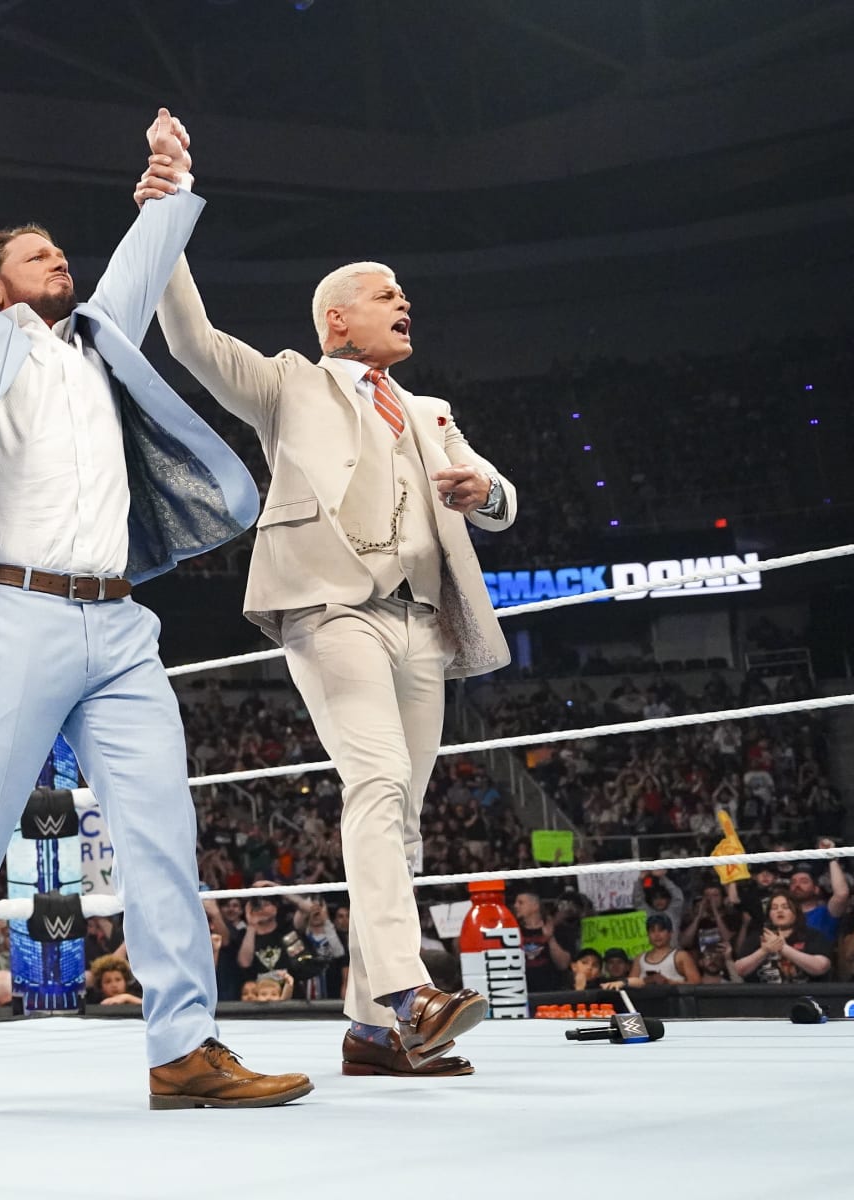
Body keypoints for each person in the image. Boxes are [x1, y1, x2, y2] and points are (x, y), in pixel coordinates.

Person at [0, 44, 303, 1116]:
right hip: (15, 614)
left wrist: (171, 180)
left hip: (121, 627)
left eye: (63, 250)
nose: (60, 261)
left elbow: (143, 261)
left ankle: (184, 1046)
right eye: (37, 253)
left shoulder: (99, 339)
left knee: (160, 831)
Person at [143, 141, 510, 1078]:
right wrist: (168, 213)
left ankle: (369, 1033)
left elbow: (499, 494)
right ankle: (405, 993)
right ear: (338, 318)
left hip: (421, 616)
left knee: (404, 811)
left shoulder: (427, 409)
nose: (406, 305)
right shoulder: (286, 384)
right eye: (389, 295)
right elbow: (188, 338)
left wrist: (485, 490)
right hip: (327, 605)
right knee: (378, 780)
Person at [734, 892, 834, 984]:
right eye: (774, 908)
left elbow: (821, 967)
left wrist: (783, 948)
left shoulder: (812, 935)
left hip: (804, 996)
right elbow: (739, 970)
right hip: (764, 999)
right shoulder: (757, 937)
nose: (779, 910)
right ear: (769, 914)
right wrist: (764, 951)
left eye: (785, 907)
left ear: (796, 912)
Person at [629, 914, 702, 988]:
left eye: (661, 930)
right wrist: (647, 980)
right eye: (652, 931)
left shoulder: (680, 956)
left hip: (674, 998)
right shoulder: (639, 958)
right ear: (648, 934)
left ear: (670, 933)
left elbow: (696, 984)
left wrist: (668, 982)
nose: (657, 935)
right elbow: (630, 986)